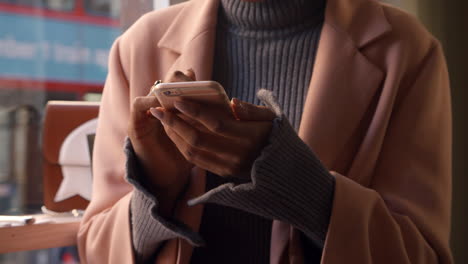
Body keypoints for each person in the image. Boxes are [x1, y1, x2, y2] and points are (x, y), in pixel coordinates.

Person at [77, 0, 452, 263]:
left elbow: (419, 256)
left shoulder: (406, 51)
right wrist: (157, 187)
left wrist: (299, 185)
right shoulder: (137, 47)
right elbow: (96, 250)